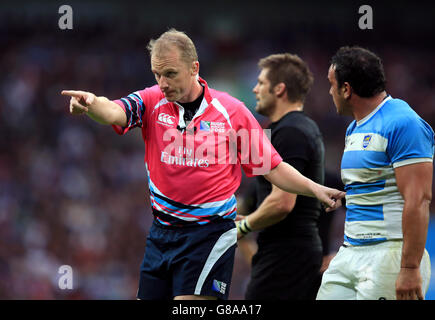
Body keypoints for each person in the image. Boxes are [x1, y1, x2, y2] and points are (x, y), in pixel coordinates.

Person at [61, 29, 345, 300]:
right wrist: (92, 104)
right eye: (157, 74)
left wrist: (314, 189)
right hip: (161, 232)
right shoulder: (151, 101)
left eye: (170, 74)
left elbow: (272, 168)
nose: (162, 83)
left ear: (194, 68)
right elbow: (114, 111)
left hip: (209, 234)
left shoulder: (232, 112)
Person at [317, 46, 434, 300]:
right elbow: (379, 185)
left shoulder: (404, 123)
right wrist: (347, 197)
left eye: (331, 85)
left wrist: (409, 267)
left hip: (389, 255)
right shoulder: (354, 129)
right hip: (350, 250)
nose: (329, 92)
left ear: (346, 89)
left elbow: (419, 199)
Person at [236, 53, 326, 300]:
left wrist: (242, 227)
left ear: (279, 89)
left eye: (261, 83)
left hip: (288, 257)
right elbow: (260, 191)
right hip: (280, 253)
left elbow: (283, 202)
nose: (255, 90)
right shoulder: (278, 131)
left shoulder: (291, 131)